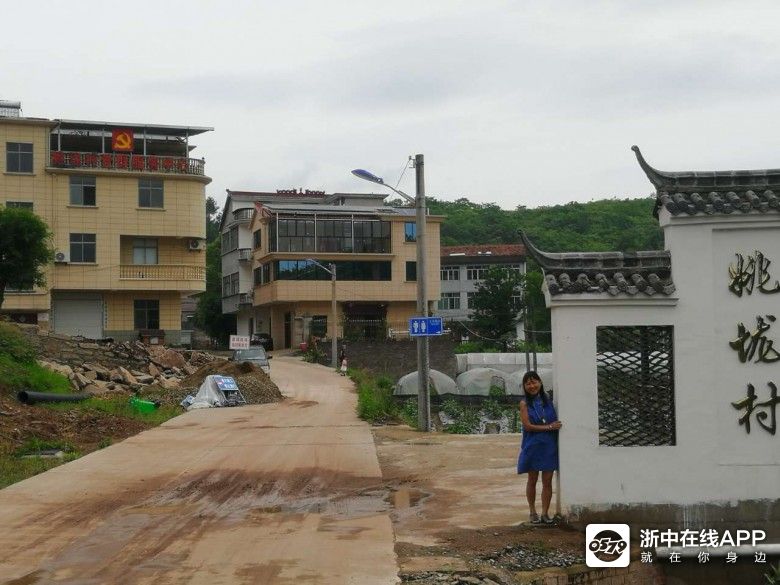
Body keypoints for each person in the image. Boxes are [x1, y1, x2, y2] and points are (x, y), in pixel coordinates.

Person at [517, 370, 562, 525]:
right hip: (533, 445)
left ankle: (544, 513)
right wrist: (550, 427)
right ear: (524, 386)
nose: (532, 385)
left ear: (540, 383)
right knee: (532, 479)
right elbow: (528, 426)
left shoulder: (548, 400)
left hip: (549, 445)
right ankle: (532, 511)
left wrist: (550, 427)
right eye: (528, 383)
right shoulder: (524, 404)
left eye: (534, 381)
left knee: (547, 481)